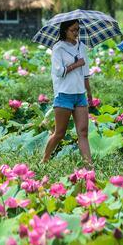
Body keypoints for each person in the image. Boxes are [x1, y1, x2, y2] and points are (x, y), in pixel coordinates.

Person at [42, 19, 95, 165]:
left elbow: (85, 73)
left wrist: (89, 94)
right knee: (60, 133)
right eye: (73, 30)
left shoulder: (81, 47)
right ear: (65, 30)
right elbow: (59, 72)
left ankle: (89, 165)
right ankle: (44, 159)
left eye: (78, 29)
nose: (76, 33)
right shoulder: (58, 48)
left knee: (83, 132)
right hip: (64, 94)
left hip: (80, 95)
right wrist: (76, 64)